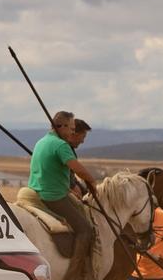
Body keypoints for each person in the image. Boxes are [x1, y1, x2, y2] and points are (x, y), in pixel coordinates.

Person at [27, 111, 105, 265]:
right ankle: (74, 273)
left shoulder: (41, 141)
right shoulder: (61, 145)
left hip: (36, 191)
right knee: (85, 230)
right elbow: (79, 170)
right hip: (54, 197)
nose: (72, 131)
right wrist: (93, 182)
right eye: (71, 128)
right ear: (61, 126)